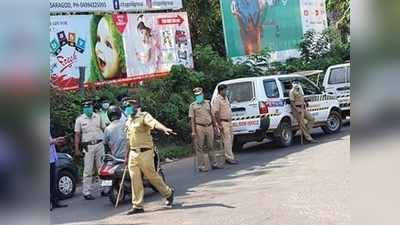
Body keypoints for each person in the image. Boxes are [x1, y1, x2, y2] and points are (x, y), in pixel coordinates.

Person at [123, 98, 175, 214]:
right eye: (126, 106)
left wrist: (164, 128)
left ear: (136, 106)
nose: (127, 108)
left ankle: (168, 193)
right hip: (133, 153)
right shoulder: (128, 121)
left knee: (151, 176)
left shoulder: (144, 116)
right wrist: (126, 156)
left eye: (129, 105)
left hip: (145, 152)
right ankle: (137, 205)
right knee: (134, 179)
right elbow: (128, 140)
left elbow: (154, 123)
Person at [74, 99, 106, 200]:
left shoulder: (98, 116)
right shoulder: (79, 119)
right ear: (83, 108)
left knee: (101, 168)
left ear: (92, 107)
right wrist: (76, 149)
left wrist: (109, 142)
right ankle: (86, 192)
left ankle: (104, 189)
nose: (88, 108)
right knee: (88, 170)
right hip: (88, 147)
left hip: (100, 144)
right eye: (86, 107)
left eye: (89, 107)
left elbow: (104, 129)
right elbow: (77, 135)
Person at [189, 87, 223, 172]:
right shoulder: (193, 105)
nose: (198, 96)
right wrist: (193, 131)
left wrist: (216, 127)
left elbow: (212, 116)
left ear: (202, 94)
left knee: (211, 145)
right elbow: (192, 119)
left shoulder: (208, 103)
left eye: (200, 95)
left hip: (209, 126)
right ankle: (201, 166)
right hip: (199, 127)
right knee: (200, 147)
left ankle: (214, 164)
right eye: (197, 95)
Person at [213, 84, 239, 165]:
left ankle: (229, 156)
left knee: (231, 140)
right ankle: (229, 158)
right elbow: (216, 112)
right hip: (223, 122)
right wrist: (219, 124)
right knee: (227, 140)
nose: (226, 91)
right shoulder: (217, 99)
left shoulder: (226, 98)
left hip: (229, 122)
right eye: (225, 90)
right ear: (220, 91)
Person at [50, 135, 68, 210]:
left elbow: (51, 141)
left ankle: (55, 202)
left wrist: (56, 141)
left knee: (53, 182)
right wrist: (56, 140)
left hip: (51, 159)